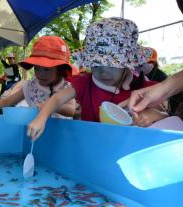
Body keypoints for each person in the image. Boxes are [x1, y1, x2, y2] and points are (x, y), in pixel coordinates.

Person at [27, 17, 168, 141]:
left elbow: (168, 117)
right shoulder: (85, 82)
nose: (102, 72)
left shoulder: (145, 88)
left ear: (128, 63)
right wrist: (42, 117)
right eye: (95, 65)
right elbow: (57, 99)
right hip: (90, 146)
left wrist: (155, 114)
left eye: (111, 65)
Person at [0, 36, 76, 119]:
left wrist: (51, 105)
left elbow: (71, 110)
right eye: (37, 68)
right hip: (34, 133)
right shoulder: (31, 86)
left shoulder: (65, 86)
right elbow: (7, 101)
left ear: (60, 69)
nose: (40, 74)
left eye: (47, 69)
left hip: (60, 133)